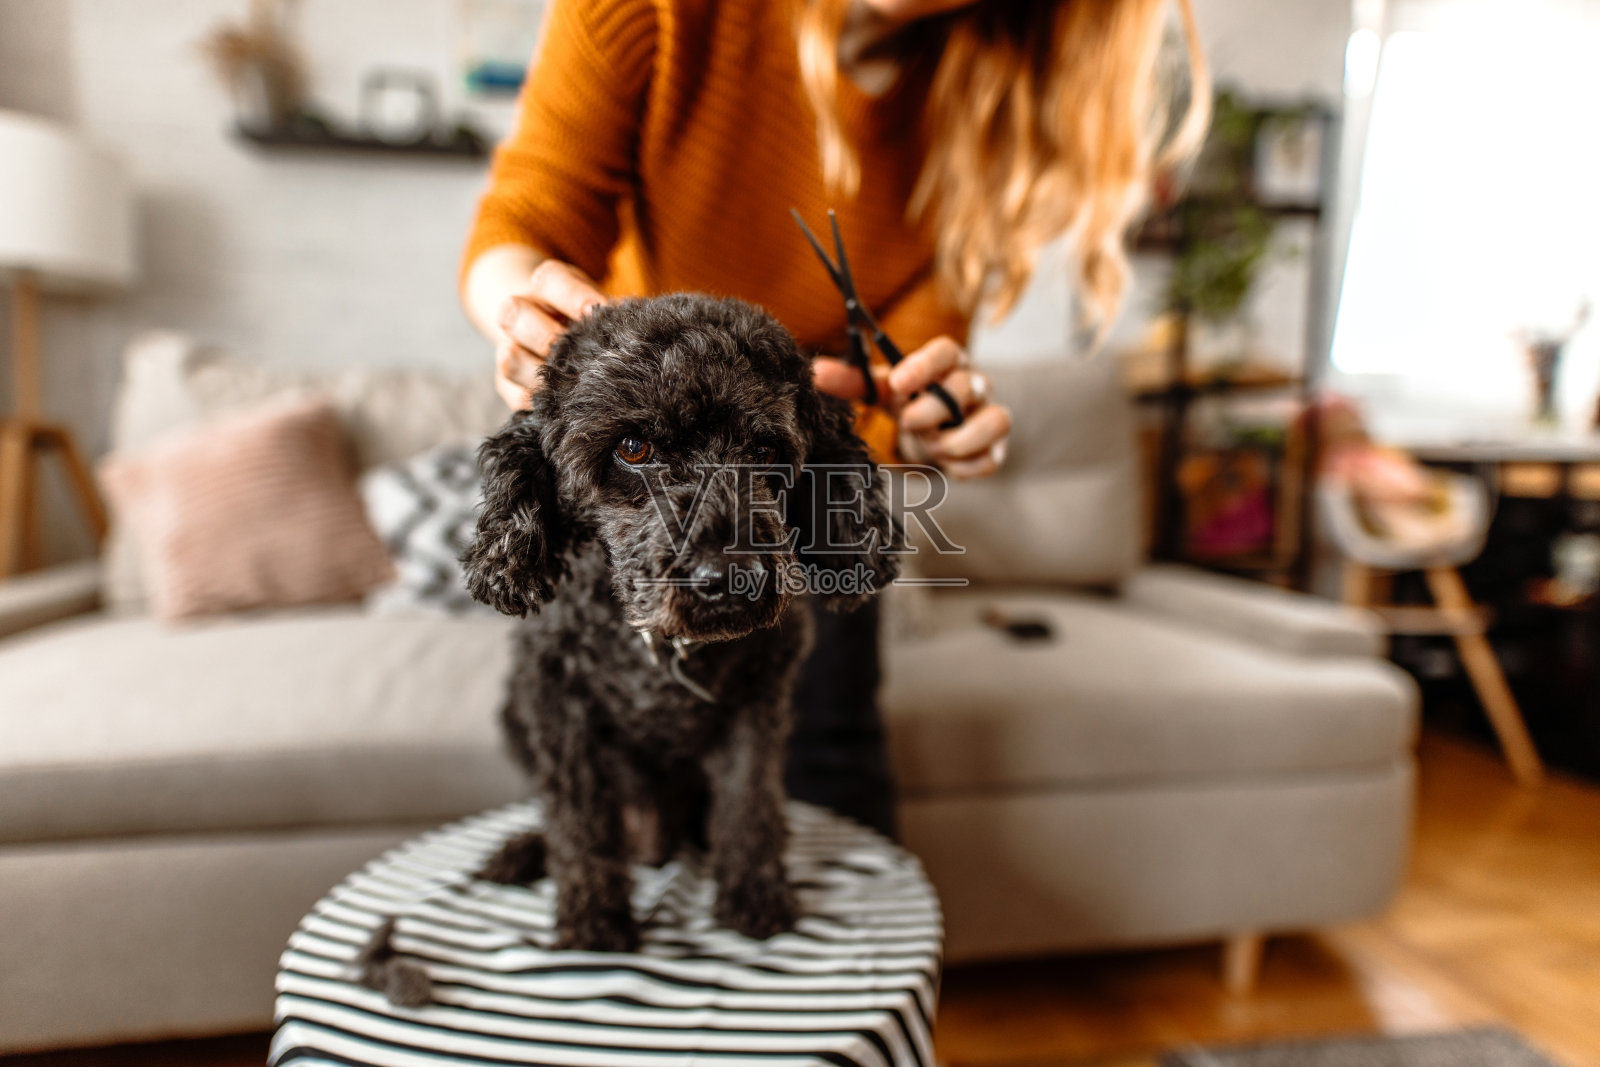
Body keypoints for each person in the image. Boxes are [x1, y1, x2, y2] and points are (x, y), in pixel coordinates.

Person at [460, 0, 1209, 838]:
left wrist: (919, 424)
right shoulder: (659, 15)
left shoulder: (992, 105)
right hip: (643, 486)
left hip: (799, 492)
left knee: (831, 753)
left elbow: (903, 375)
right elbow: (524, 218)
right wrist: (525, 317)